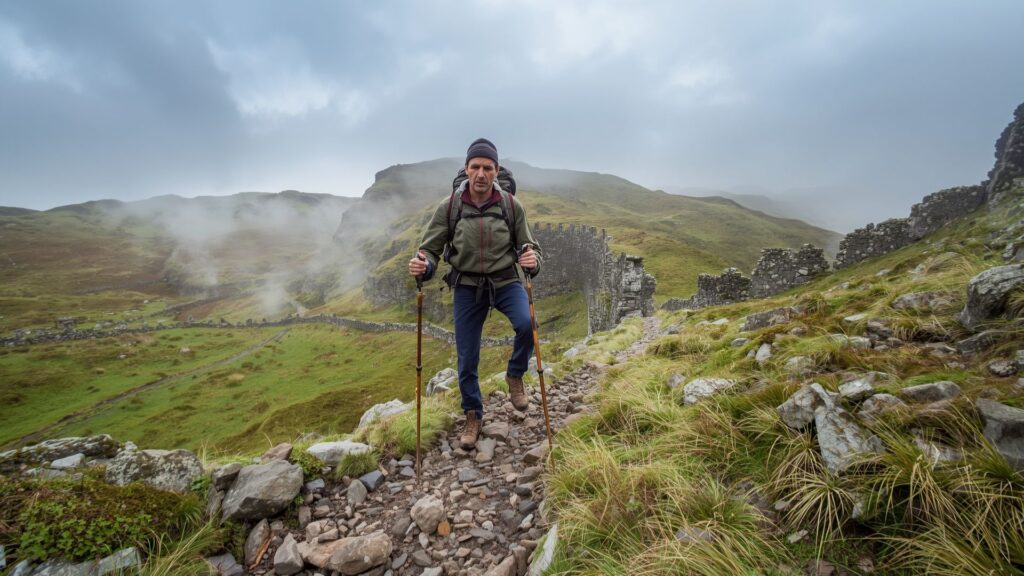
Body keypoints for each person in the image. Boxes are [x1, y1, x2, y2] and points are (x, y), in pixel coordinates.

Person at [408, 138, 542, 449]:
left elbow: (529, 246)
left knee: (527, 325)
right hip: (467, 286)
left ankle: (515, 375)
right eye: (475, 167)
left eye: (487, 168)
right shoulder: (450, 207)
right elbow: (430, 250)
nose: (481, 174)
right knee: (467, 356)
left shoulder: (511, 205)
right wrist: (423, 265)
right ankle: (473, 415)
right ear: (467, 169)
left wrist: (533, 260)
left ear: (497, 171)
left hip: (506, 280)